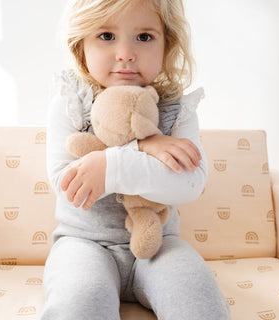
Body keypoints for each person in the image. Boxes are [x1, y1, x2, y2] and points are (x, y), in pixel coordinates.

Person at [41, 0, 231, 319]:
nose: (126, 53)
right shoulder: (70, 103)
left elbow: (189, 183)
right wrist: (141, 148)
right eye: (106, 36)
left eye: (144, 37)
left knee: (198, 298)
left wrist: (113, 165)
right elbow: (68, 184)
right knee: (79, 301)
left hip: (160, 243)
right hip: (84, 243)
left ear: (166, 44)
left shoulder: (175, 110)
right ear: (80, 45)